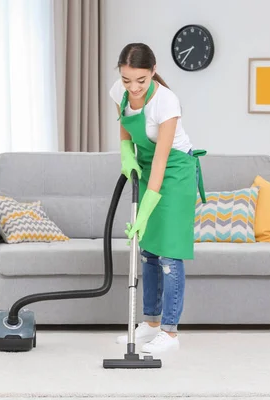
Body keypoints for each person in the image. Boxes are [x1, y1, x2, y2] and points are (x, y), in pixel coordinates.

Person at [109, 43, 206, 353]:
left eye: (140, 80)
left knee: (168, 253)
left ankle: (170, 333)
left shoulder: (166, 102)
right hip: (148, 163)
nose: (133, 88)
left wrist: (144, 212)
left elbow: (163, 160)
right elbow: (125, 131)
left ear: (153, 72)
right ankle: (150, 325)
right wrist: (127, 156)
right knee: (148, 251)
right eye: (127, 80)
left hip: (176, 169)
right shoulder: (119, 92)